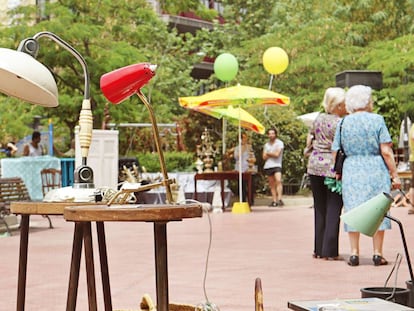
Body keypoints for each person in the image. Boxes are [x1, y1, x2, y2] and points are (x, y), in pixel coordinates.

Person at [332, 85, 401, 267]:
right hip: (375, 167)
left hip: (352, 169)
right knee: (378, 210)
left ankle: (354, 253)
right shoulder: (377, 120)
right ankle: (377, 253)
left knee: (353, 209)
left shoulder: (343, 122)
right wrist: (394, 174)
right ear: (367, 101)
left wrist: (337, 171)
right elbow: (386, 150)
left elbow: (335, 150)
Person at [305, 87, 347, 260]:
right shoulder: (341, 123)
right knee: (333, 208)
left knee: (319, 208)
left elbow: (309, 140)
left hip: (314, 165)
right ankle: (330, 250)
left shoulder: (317, 119)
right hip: (332, 167)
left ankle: (318, 248)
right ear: (337, 105)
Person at [263, 128, 284, 207]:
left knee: (278, 180)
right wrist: (270, 154)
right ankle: (274, 200)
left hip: (277, 164)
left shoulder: (279, 143)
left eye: (273, 133)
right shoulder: (266, 145)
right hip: (268, 165)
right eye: (270, 134)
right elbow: (264, 157)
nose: (271, 135)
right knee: (271, 184)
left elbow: (277, 154)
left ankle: (280, 199)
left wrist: (268, 153)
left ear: (275, 134)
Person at [234, 132, 254, 202]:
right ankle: (242, 200)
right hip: (240, 169)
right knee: (241, 185)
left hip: (248, 168)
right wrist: (243, 148)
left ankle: (250, 200)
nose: (244, 140)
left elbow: (253, 157)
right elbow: (236, 157)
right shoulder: (237, 148)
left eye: (245, 138)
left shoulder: (250, 147)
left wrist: (252, 159)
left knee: (250, 185)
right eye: (243, 138)